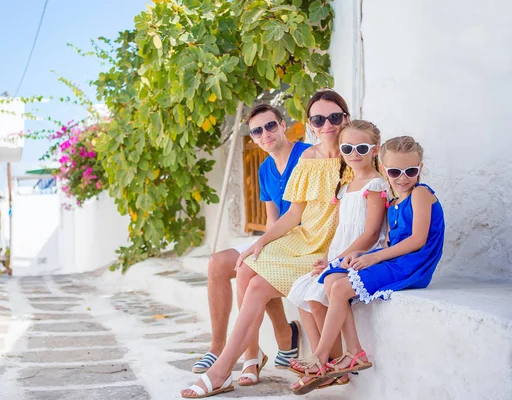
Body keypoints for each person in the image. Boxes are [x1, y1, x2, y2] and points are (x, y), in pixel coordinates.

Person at [181, 89, 350, 398]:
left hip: (324, 245)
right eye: (318, 119)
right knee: (243, 264)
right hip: (296, 240)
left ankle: (242, 361)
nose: (327, 124)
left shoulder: (349, 153)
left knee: (252, 276)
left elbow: (358, 213)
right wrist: (261, 244)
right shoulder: (296, 162)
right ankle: (241, 356)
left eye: (334, 117)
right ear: (309, 122)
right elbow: (285, 216)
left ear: (284, 124)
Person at [289, 136, 445, 394]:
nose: (403, 178)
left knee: (340, 289)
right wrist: (361, 253)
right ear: (384, 169)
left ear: (421, 168)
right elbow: (388, 243)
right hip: (396, 261)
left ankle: (320, 356)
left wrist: (374, 257)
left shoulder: (421, 193)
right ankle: (354, 352)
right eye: (395, 171)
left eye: (411, 171)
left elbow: (418, 240)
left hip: (414, 265)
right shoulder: (394, 202)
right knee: (331, 279)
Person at [192, 104, 310, 377]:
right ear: (254, 138)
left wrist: (266, 246)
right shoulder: (265, 168)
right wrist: (266, 244)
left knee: (253, 265)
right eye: (257, 131)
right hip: (279, 235)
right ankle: (218, 345)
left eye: (270, 126)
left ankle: (252, 355)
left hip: (303, 239)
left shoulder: (305, 155)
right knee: (218, 264)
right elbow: (272, 218)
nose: (265, 134)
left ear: (283, 125)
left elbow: (296, 214)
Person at [287, 119, 389, 390]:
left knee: (326, 286)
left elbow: (369, 234)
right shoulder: (346, 186)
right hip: (341, 253)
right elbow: (343, 228)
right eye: (347, 147)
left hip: (361, 254)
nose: (354, 153)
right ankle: (339, 360)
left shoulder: (376, 184)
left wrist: (337, 261)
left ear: (375, 150)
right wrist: (329, 258)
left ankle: (321, 361)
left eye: (362, 147)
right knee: (303, 289)